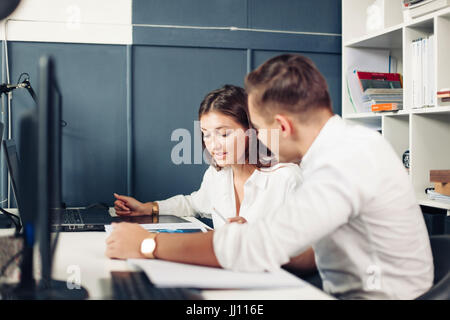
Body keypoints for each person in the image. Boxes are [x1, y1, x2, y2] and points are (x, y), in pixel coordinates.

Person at [106, 55, 433, 300]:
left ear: (283, 127)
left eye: (260, 130)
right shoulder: (341, 146)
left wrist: (148, 244)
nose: (259, 140)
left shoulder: (343, 160)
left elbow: (259, 246)